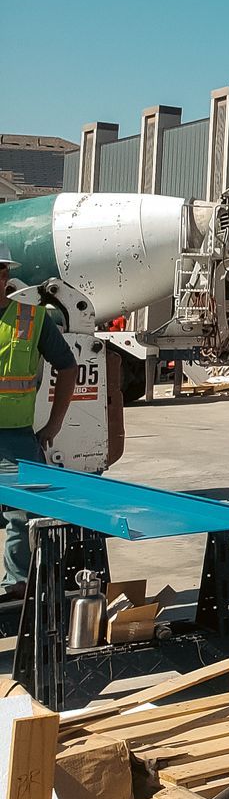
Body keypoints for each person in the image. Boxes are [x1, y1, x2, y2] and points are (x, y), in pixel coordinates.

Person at [0, 242, 79, 601]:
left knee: (23, 514)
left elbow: (67, 366)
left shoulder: (32, 319)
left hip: (16, 437)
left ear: (5, 277)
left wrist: (55, 423)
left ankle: (17, 583)